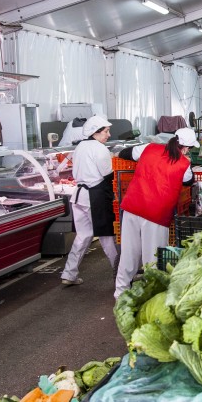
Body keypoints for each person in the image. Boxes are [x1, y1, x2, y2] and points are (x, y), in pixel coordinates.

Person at [114, 128, 198, 298]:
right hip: (156, 213)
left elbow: (124, 153)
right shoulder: (184, 163)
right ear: (186, 148)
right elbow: (189, 181)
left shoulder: (149, 148)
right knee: (152, 257)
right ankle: (150, 295)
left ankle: (120, 292)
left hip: (133, 205)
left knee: (129, 252)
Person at [60, 116, 119, 286]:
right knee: (107, 236)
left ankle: (69, 274)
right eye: (106, 131)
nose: (108, 134)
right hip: (95, 196)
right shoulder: (99, 149)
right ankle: (121, 274)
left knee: (83, 236)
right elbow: (108, 175)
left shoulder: (80, 146)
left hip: (78, 196)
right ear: (95, 132)